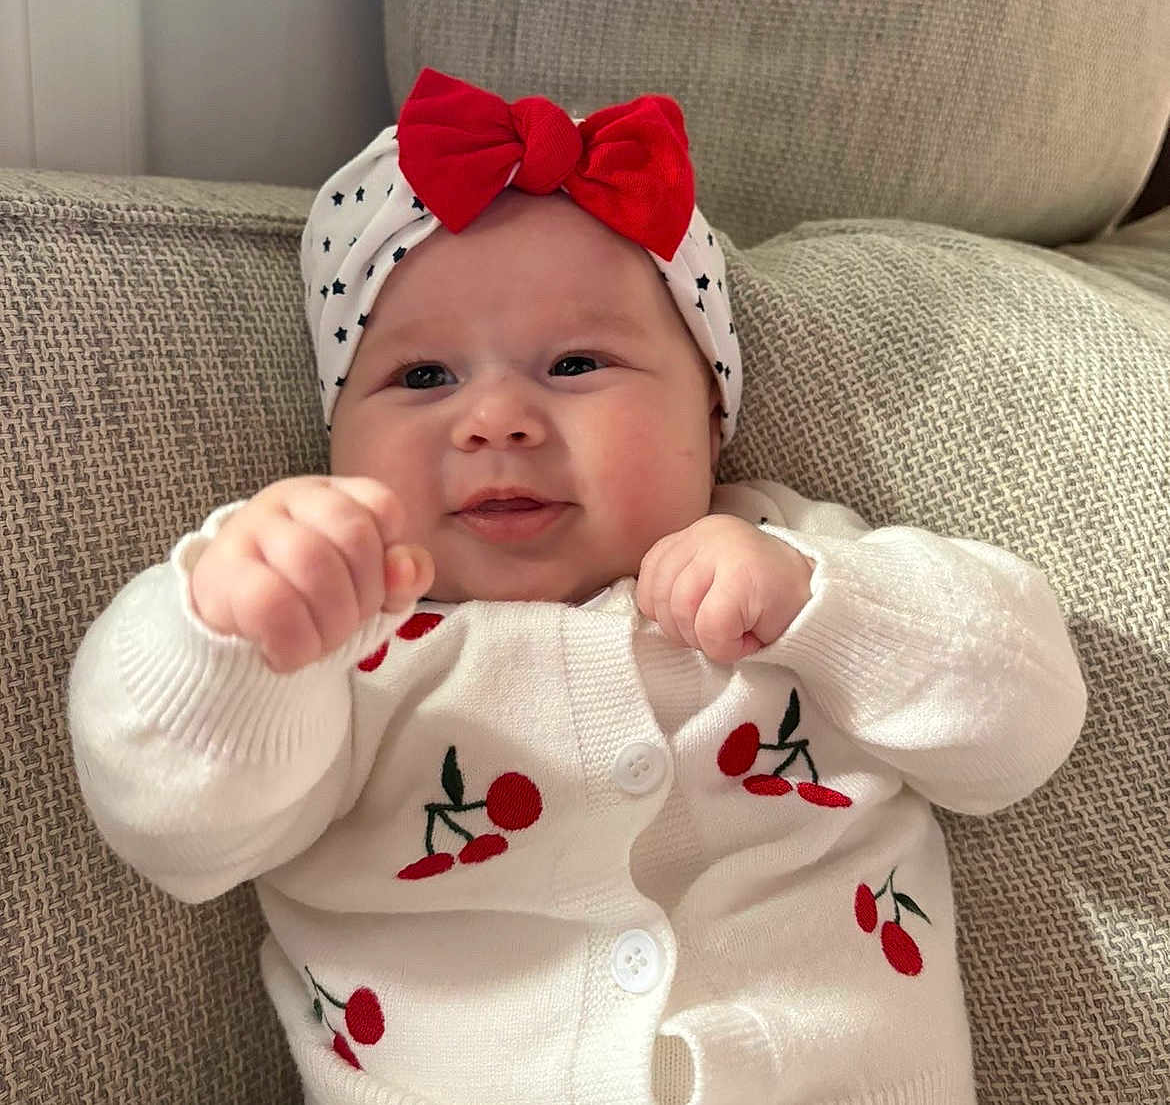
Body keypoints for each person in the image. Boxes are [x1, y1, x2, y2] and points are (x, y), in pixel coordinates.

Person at [67, 67, 1088, 1105]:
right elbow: (176, 833)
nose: (495, 419)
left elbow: (1025, 724)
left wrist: (822, 605)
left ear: (709, 414)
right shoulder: (342, 647)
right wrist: (230, 640)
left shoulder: (790, 557)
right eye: (424, 377)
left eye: (575, 365)